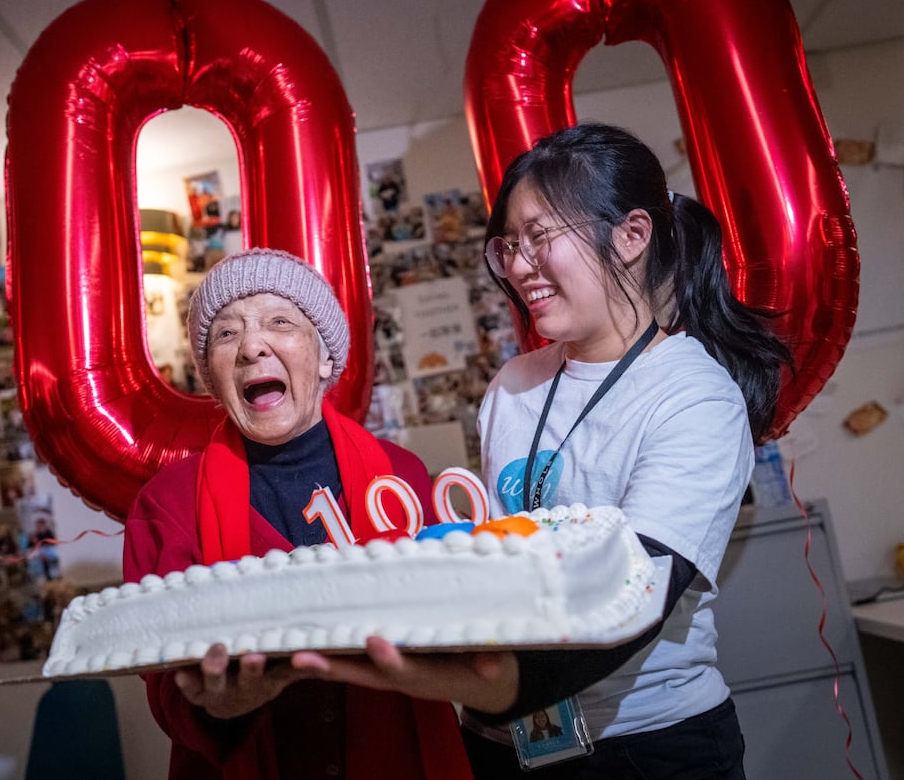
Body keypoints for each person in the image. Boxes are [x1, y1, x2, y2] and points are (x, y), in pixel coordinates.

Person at [290, 123, 791, 779]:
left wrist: (483, 683)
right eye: (509, 246)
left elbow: (635, 596)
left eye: (540, 237)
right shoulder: (513, 385)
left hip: (644, 749)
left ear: (632, 235)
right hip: (507, 748)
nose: (520, 266)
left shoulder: (695, 395)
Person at [123, 248, 472, 780]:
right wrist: (216, 706)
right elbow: (167, 687)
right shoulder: (164, 506)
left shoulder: (400, 478)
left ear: (326, 357)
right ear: (213, 380)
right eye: (225, 334)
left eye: (279, 322)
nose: (251, 347)